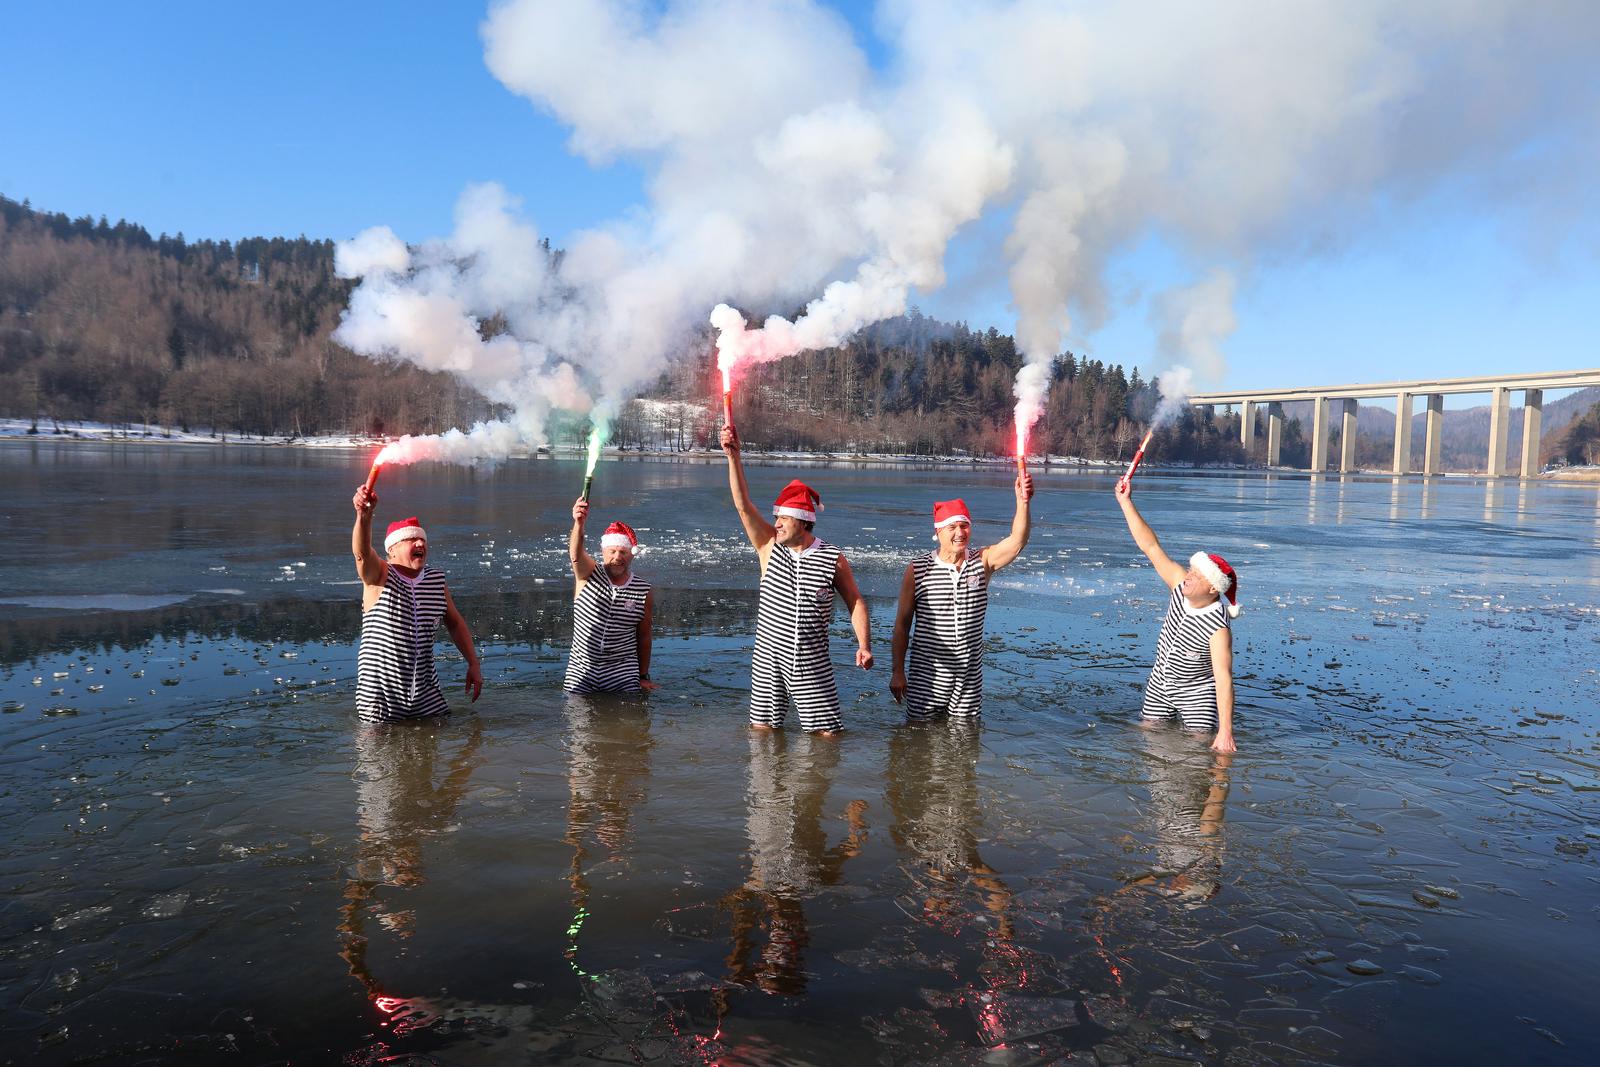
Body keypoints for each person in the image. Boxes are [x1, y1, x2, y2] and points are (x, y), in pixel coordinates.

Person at [720, 424, 872, 736]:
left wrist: (864, 645)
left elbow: (855, 601)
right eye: (777, 518)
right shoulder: (768, 545)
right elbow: (742, 504)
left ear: (803, 522)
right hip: (768, 658)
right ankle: (766, 782)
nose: (776, 523)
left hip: (811, 658)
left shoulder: (832, 557)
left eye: (783, 519)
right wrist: (734, 456)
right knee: (762, 731)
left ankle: (814, 783)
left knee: (827, 736)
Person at [889, 472, 1033, 720]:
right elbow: (902, 626)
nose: (959, 533)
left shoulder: (982, 561)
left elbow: (1018, 540)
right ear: (938, 532)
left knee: (964, 742)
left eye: (964, 525)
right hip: (928, 673)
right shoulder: (918, 569)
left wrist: (1023, 502)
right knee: (919, 739)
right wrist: (898, 672)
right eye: (952, 527)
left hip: (968, 677)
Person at [1113, 479, 1239, 753]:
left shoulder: (1218, 626)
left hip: (1196, 694)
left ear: (1213, 587)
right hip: (1160, 682)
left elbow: (1223, 677)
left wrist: (1226, 731)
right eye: (1191, 570)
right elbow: (1151, 547)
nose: (1189, 576)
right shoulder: (1180, 587)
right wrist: (1126, 503)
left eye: (1197, 574)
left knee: (1198, 749)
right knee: (1147, 740)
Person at [351, 484, 483, 722]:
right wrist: (364, 516)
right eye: (411, 539)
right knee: (378, 755)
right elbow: (361, 552)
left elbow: (454, 623)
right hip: (381, 695)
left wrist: (473, 663)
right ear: (391, 549)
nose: (420, 544)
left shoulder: (435, 580)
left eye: (422, 539)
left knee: (434, 747)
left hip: (425, 692)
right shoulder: (379, 575)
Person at [564, 498, 656, 694]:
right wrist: (579, 523)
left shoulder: (643, 590)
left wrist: (643, 676)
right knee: (577, 723)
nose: (617, 557)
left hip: (622, 674)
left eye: (623, 552)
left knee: (628, 722)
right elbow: (576, 554)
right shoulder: (587, 575)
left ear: (632, 554)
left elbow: (644, 636)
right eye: (612, 551)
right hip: (581, 674)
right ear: (603, 551)